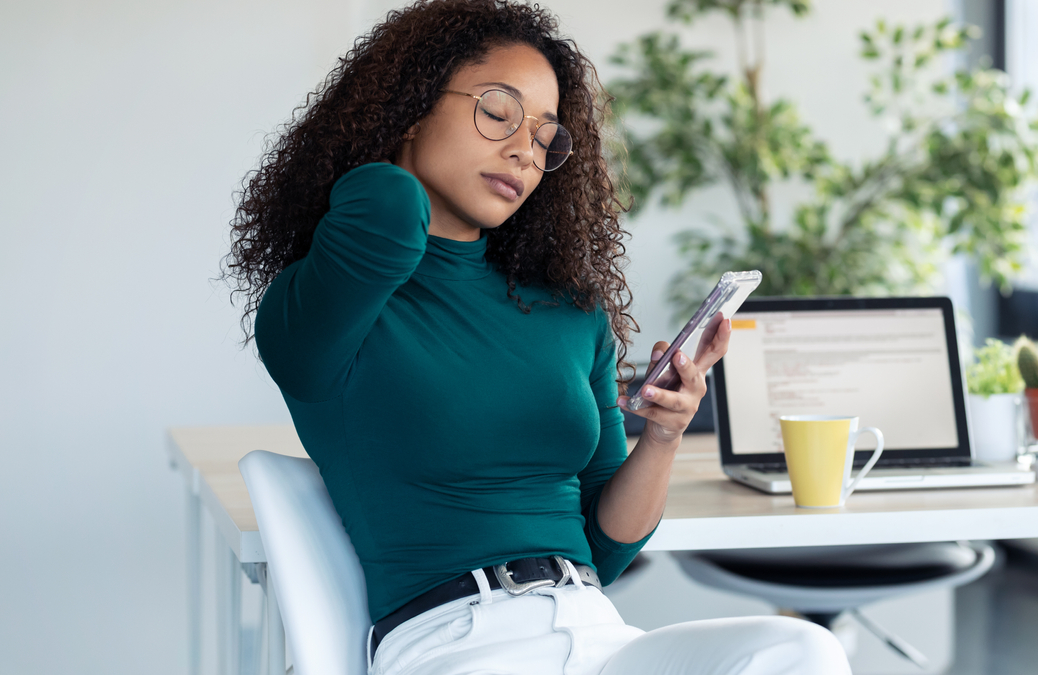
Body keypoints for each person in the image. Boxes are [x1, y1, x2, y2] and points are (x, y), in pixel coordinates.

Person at [226, 1, 851, 673]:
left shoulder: (570, 312)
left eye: (547, 136)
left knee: (801, 648)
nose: (525, 149)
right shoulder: (326, 306)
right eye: (497, 113)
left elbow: (606, 546)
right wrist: (385, 145)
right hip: (453, 643)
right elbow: (387, 207)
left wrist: (666, 433)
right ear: (409, 105)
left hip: (596, 631)